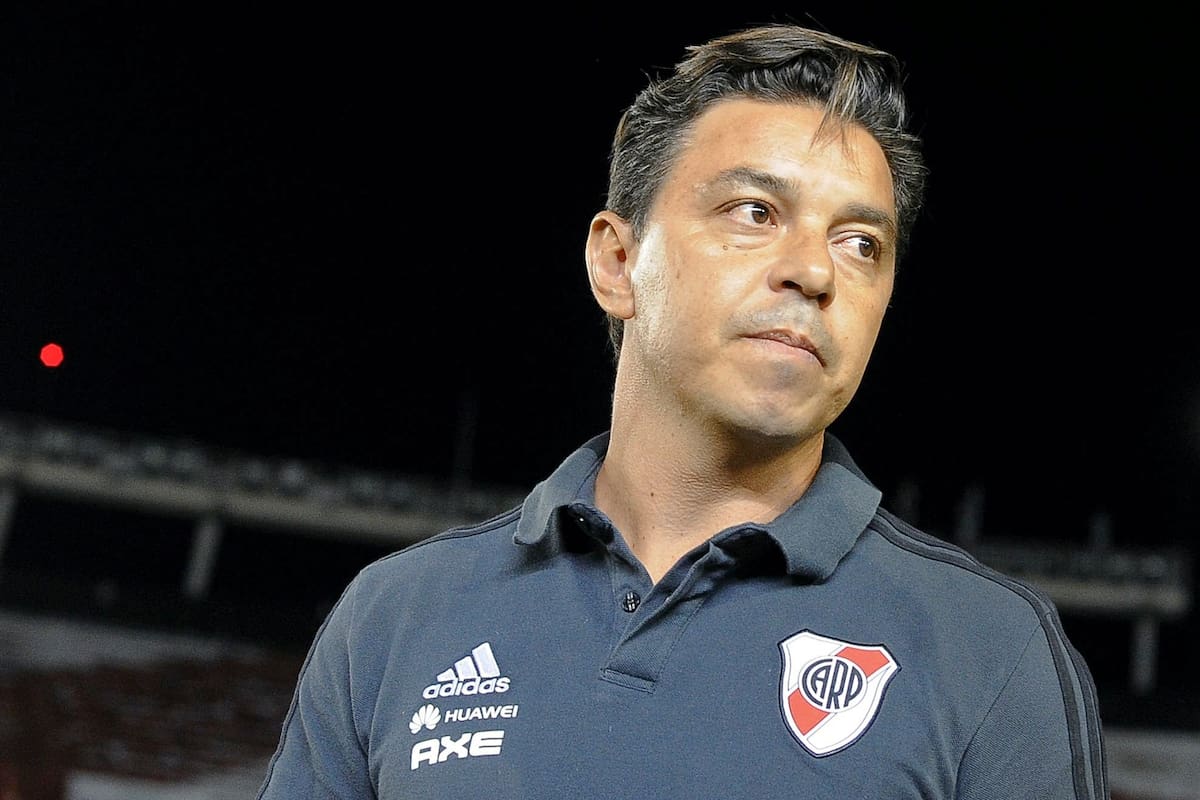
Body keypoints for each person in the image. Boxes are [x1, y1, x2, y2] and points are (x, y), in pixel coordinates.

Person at [257, 22, 1106, 799]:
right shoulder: (396, 615)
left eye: (861, 243)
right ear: (617, 263)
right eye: (755, 212)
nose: (815, 272)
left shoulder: (992, 652)